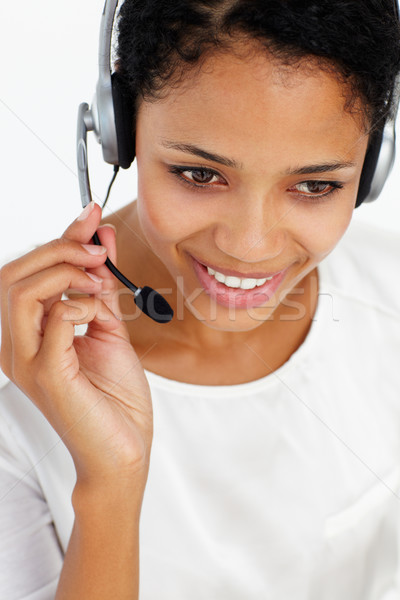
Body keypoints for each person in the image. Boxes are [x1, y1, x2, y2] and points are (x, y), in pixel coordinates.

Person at [1, 0, 400, 598]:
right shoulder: (16, 390)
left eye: (315, 185)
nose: (250, 245)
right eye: (200, 174)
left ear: (371, 171)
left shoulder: (388, 293)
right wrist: (111, 485)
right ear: (120, 134)